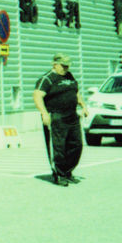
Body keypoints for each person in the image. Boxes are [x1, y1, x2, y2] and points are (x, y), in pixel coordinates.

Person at [33, 53, 88, 185]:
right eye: (63, 66)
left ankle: (68, 171)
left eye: (67, 66)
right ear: (55, 64)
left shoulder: (69, 76)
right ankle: (59, 174)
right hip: (56, 116)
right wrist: (44, 113)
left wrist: (83, 106)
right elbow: (37, 96)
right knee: (58, 147)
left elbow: (76, 92)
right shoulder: (47, 79)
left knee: (76, 145)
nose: (66, 68)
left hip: (72, 115)